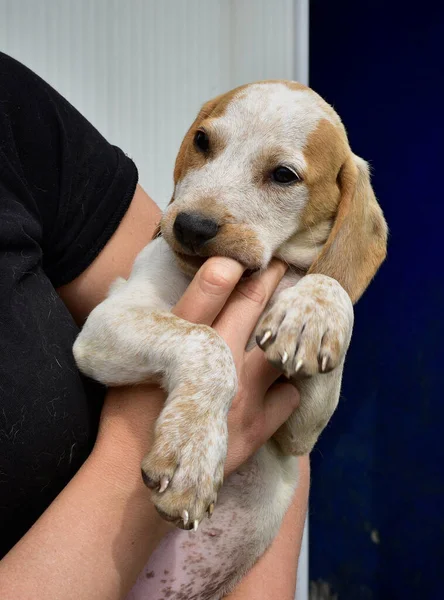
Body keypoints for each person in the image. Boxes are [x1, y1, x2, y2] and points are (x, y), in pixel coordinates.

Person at [0, 51, 309, 599]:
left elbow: (260, 380)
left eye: (280, 174)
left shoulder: (10, 109)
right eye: (205, 145)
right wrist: (181, 394)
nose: (198, 211)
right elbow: (112, 345)